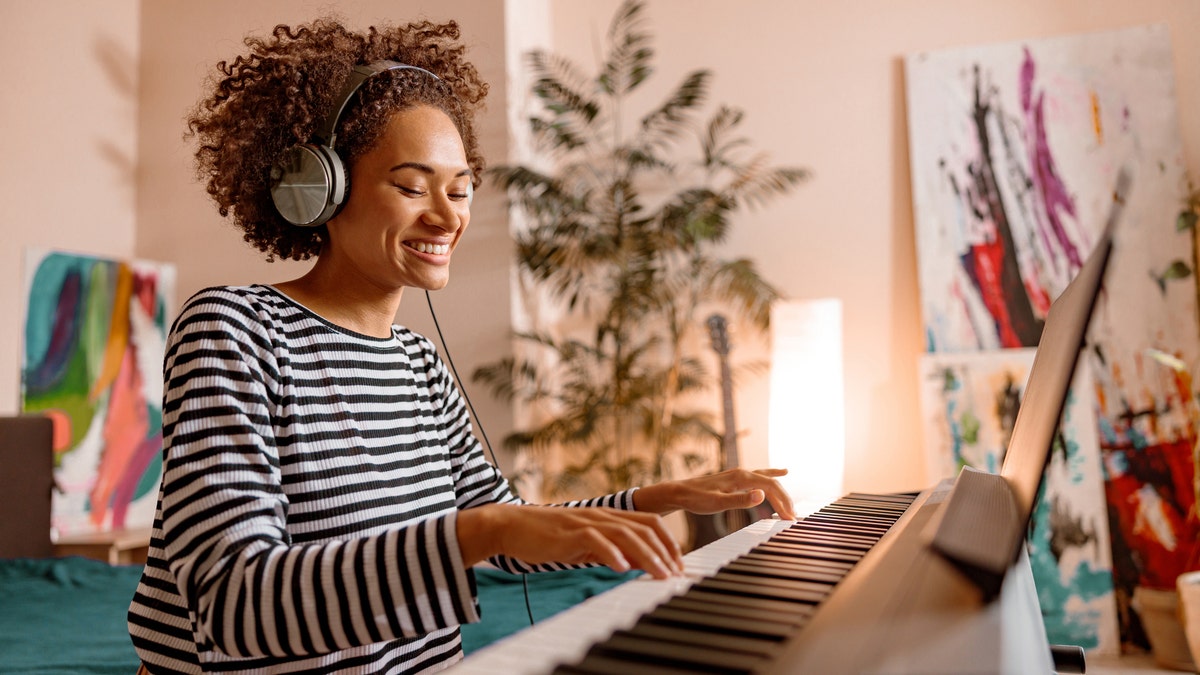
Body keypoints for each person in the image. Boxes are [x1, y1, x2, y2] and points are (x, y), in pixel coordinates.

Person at [127, 16, 796, 674]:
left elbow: (503, 526)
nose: (447, 217)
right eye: (413, 187)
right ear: (317, 189)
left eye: (460, 189)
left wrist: (658, 496)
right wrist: (480, 533)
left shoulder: (418, 361)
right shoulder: (234, 330)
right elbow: (233, 604)